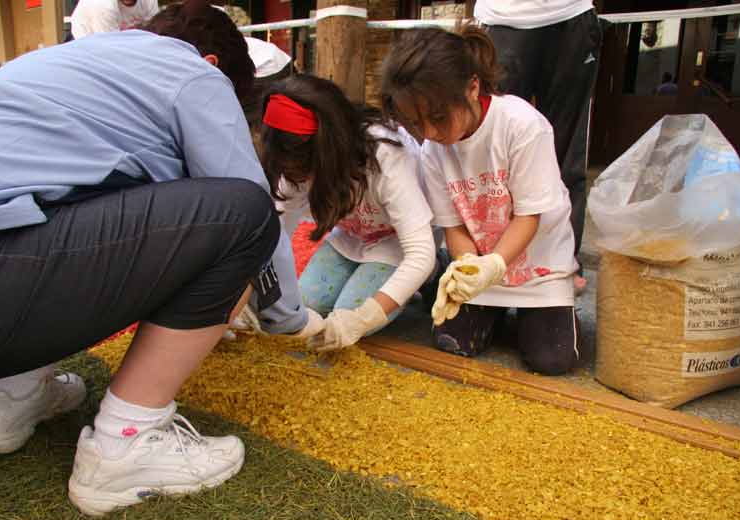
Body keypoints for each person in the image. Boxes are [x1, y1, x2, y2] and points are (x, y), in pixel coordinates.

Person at [0, 1, 283, 516]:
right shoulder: (193, 73)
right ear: (213, 65)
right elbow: (248, 207)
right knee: (243, 214)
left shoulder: (68, 61)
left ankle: (7, 402)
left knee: (79, 198)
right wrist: (287, 316)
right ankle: (124, 443)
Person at [381, 26, 579, 375]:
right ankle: (486, 305)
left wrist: (494, 266)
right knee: (452, 342)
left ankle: (540, 307)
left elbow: (529, 217)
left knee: (552, 359)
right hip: (484, 263)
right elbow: (453, 225)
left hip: (538, 264)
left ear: (472, 88)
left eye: (438, 117)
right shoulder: (433, 150)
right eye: (415, 122)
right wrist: (469, 267)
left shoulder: (521, 126)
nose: (428, 132)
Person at [258, 75, 436, 351]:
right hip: (351, 237)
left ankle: (434, 273)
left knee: (350, 312)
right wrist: (253, 297)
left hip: (397, 243)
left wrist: (363, 319)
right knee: (305, 304)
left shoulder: (385, 155)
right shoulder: (294, 156)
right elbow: (274, 234)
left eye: (307, 172)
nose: (301, 180)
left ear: (330, 150)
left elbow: (420, 253)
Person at [474, 0, 602, 288]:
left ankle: (563, 263)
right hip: (504, 19)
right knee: (492, 153)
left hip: (571, 14)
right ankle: (489, 259)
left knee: (566, 156)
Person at [70, 0, 159, 39]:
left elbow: (153, 34)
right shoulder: (103, 5)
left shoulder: (149, 1)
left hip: (123, 41)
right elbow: (110, 47)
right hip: (87, 44)